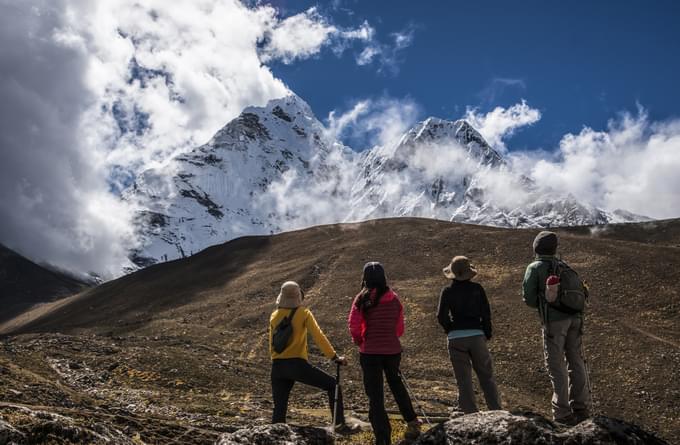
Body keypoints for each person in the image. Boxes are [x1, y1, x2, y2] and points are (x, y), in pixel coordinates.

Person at [348, 262, 421, 445]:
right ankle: (412, 421)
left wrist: (360, 341)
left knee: (375, 395)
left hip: (370, 353)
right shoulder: (393, 298)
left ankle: (383, 437)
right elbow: (399, 328)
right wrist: (389, 338)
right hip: (392, 351)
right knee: (396, 384)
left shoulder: (361, 299)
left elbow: (354, 326)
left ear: (365, 278)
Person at [522, 231, 591, 425]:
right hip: (575, 319)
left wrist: (545, 302)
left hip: (554, 322)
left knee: (556, 364)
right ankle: (581, 408)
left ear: (536, 247)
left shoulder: (535, 267)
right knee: (575, 362)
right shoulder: (564, 266)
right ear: (554, 248)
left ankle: (562, 414)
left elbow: (528, 299)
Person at [269, 280, 354, 433]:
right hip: (297, 365)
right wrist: (334, 357)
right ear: (298, 297)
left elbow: (272, 344)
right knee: (332, 386)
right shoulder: (303, 313)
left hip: (277, 367)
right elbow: (318, 336)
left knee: (279, 410)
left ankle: (275, 438)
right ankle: (340, 425)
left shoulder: (274, 315)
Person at [436, 256, 502, 414]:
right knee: (486, 376)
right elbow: (486, 313)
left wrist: (450, 329)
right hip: (477, 336)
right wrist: (486, 333)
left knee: (463, 379)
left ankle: (470, 413)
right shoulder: (477, 289)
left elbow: (441, 315)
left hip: (455, 338)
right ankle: (496, 410)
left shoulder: (447, 291)